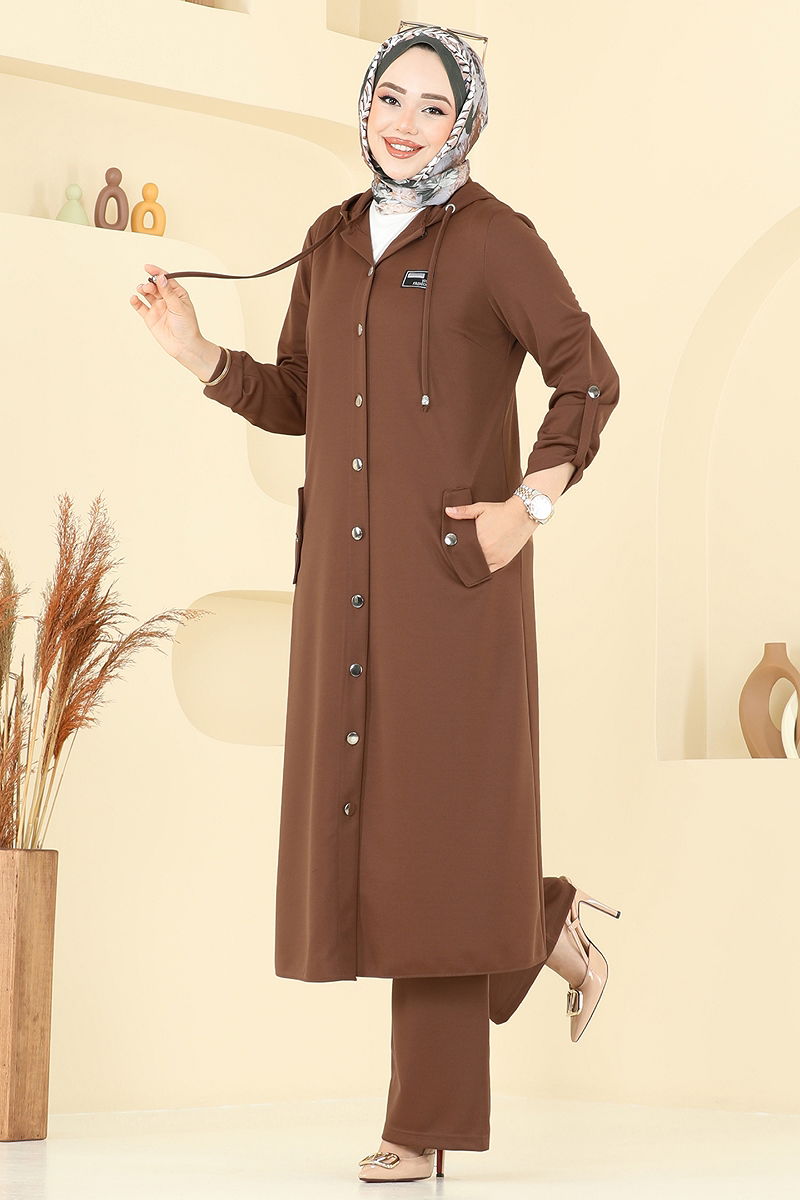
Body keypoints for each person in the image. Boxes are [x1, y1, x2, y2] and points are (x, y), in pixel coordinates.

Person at [130, 22, 622, 1184]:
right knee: (381, 834)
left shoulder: (497, 239)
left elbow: (586, 378)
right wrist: (196, 353)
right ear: (364, 106)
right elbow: (298, 398)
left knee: (438, 841)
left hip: (454, 582)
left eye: (431, 107)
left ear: (465, 124)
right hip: (345, 587)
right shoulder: (331, 238)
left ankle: (423, 1123)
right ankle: (542, 922)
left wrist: (526, 508)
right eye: (389, 98)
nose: (404, 123)